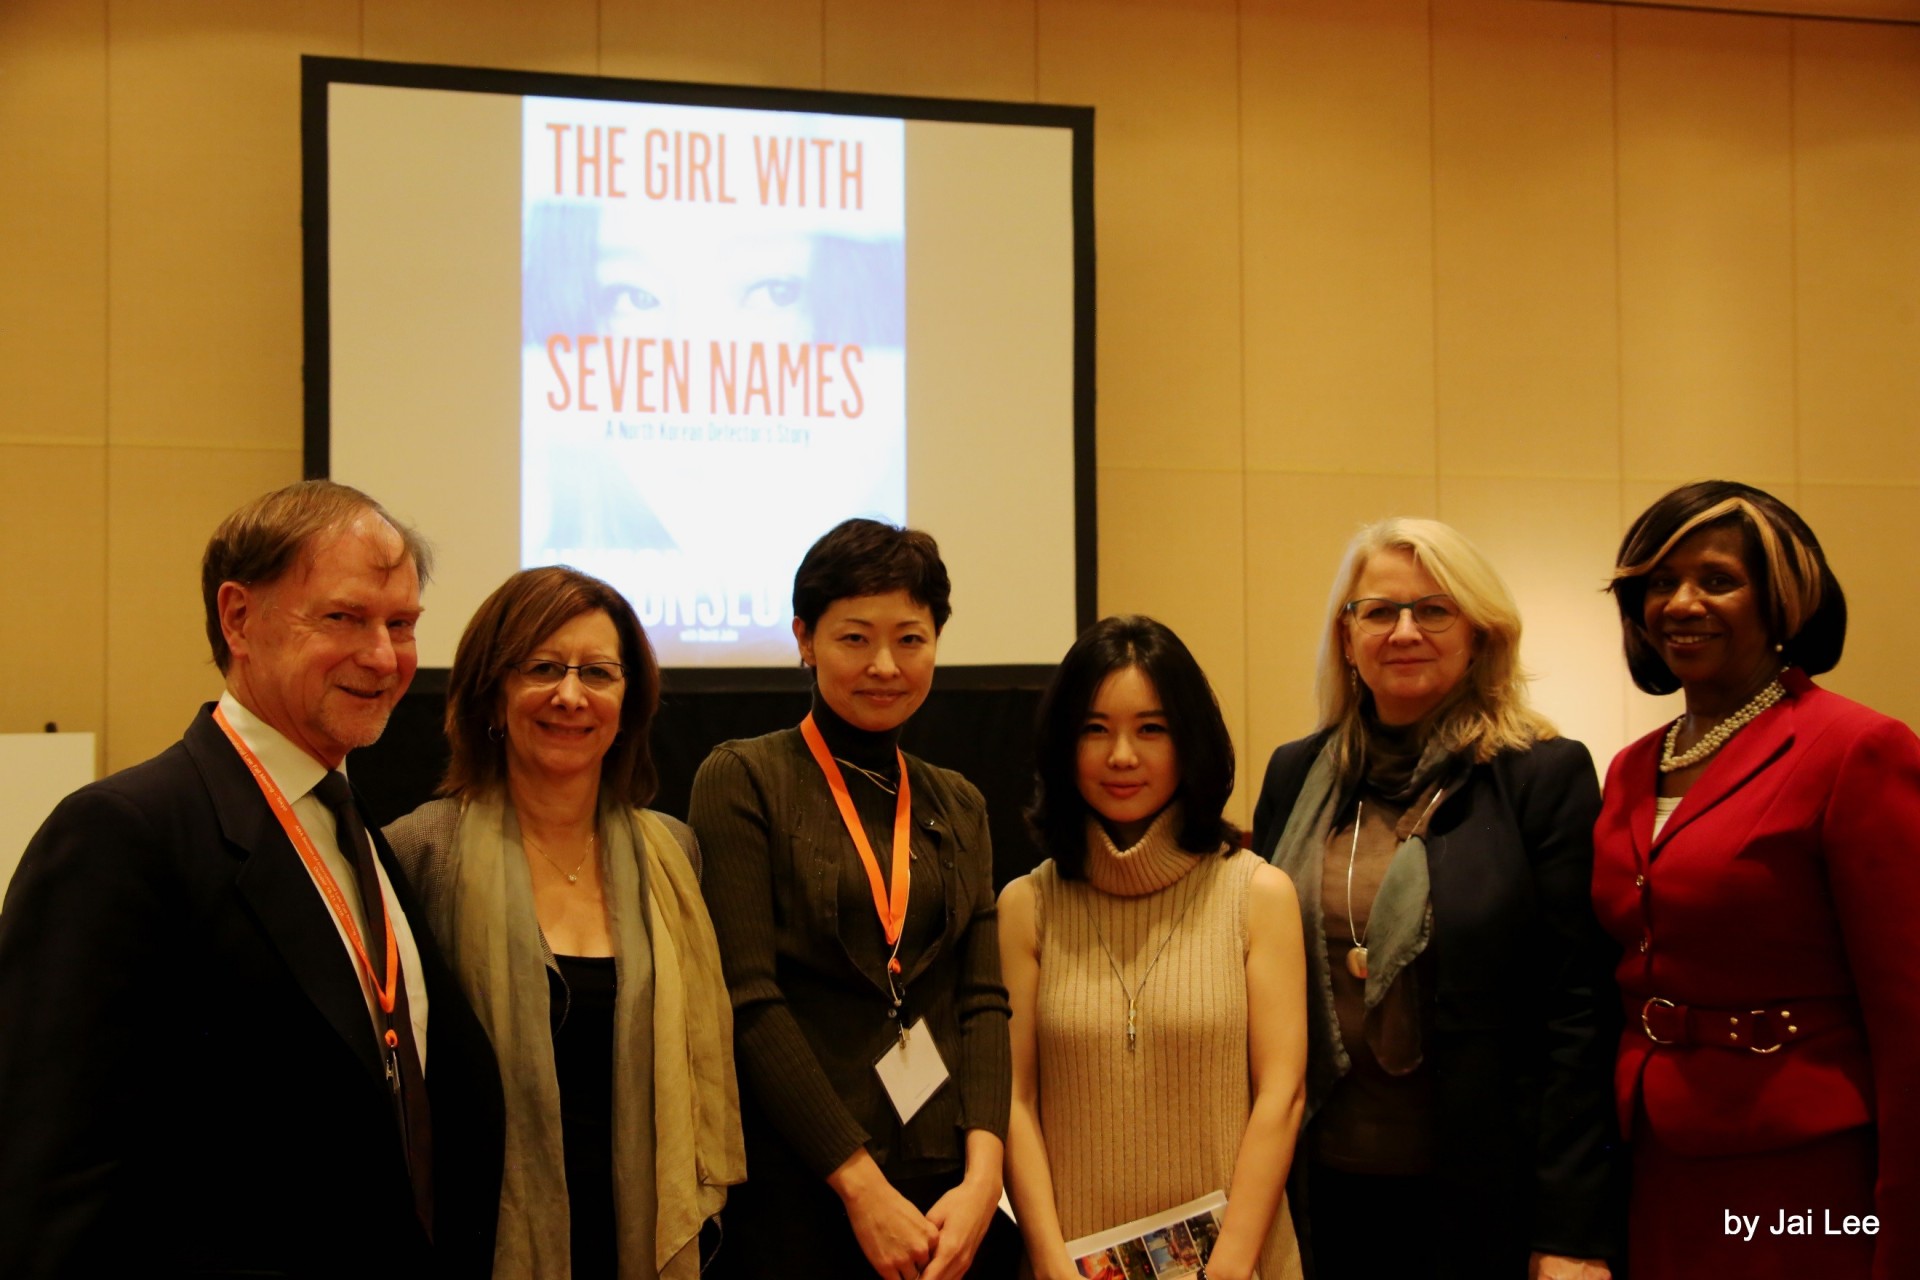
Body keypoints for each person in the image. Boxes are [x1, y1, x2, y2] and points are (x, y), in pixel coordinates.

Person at [0, 480, 504, 1278]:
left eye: (402, 624)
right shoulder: (123, 835)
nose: (384, 656)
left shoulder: (357, 827)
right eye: (344, 618)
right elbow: (54, 1176)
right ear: (239, 618)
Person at [1250, 518, 1621, 1279]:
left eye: (1434, 610)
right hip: (1319, 1181)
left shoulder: (1541, 777)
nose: (1405, 630)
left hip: (1486, 1192)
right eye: (1379, 611)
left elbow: (1578, 1015)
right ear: (1347, 638)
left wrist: (1572, 1231)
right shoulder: (1296, 775)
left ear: (1480, 635)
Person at [1593, 481, 1920, 1279]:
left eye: (1716, 579)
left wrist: (1904, 1226)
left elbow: (1910, 1014)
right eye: (1659, 584)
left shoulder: (1857, 749)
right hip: (1658, 1157)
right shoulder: (1634, 767)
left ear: (1783, 601)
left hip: (1804, 1166)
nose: (1681, 603)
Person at [385, 566, 745, 1279]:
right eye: (543, 668)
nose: (571, 696)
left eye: (599, 673)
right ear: (493, 690)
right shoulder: (416, 854)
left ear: (628, 700)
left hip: (641, 1238)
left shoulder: (674, 854)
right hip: (476, 1242)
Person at [688, 518, 1013, 1280]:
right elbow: (749, 999)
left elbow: (984, 999)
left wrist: (983, 1177)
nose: (885, 666)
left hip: (948, 1193)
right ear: (804, 639)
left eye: (910, 638)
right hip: (805, 1186)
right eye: (854, 638)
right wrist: (860, 1188)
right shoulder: (742, 780)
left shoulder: (958, 802)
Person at [1001, 615, 1308, 1280]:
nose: (1121, 756)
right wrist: (1051, 1265)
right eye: (1094, 729)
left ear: (1189, 741)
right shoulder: (1028, 906)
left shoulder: (1258, 895)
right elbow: (1015, 1102)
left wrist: (1226, 1268)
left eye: (1151, 729)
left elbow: (1281, 1095)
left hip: (1240, 1265)